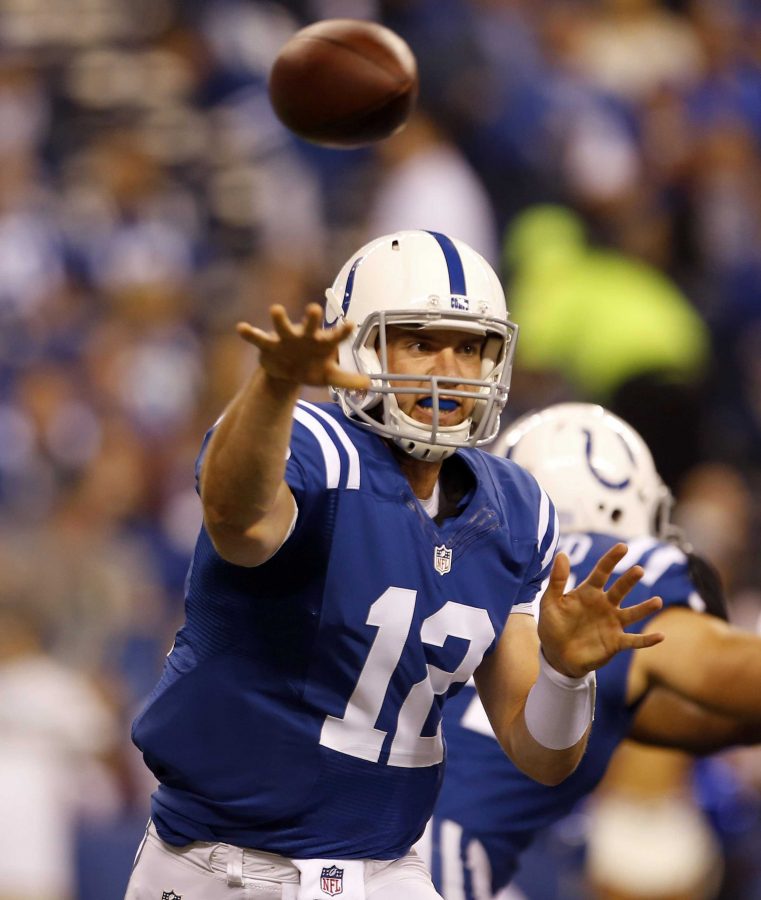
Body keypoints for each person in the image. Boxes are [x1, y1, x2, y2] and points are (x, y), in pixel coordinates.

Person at [125, 232, 662, 900]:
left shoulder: (515, 507)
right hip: (223, 867)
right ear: (360, 347)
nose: (449, 369)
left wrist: (565, 675)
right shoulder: (310, 446)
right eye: (420, 341)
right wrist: (275, 384)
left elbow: (541, 756)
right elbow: (236, 517)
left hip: (385, 870)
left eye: (469, 347)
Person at [420, 402, 761, 900]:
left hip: (348, 848)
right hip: (435, 866)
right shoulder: (607, 582)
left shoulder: (466, 566)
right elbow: (733, 675)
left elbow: (680, 719)